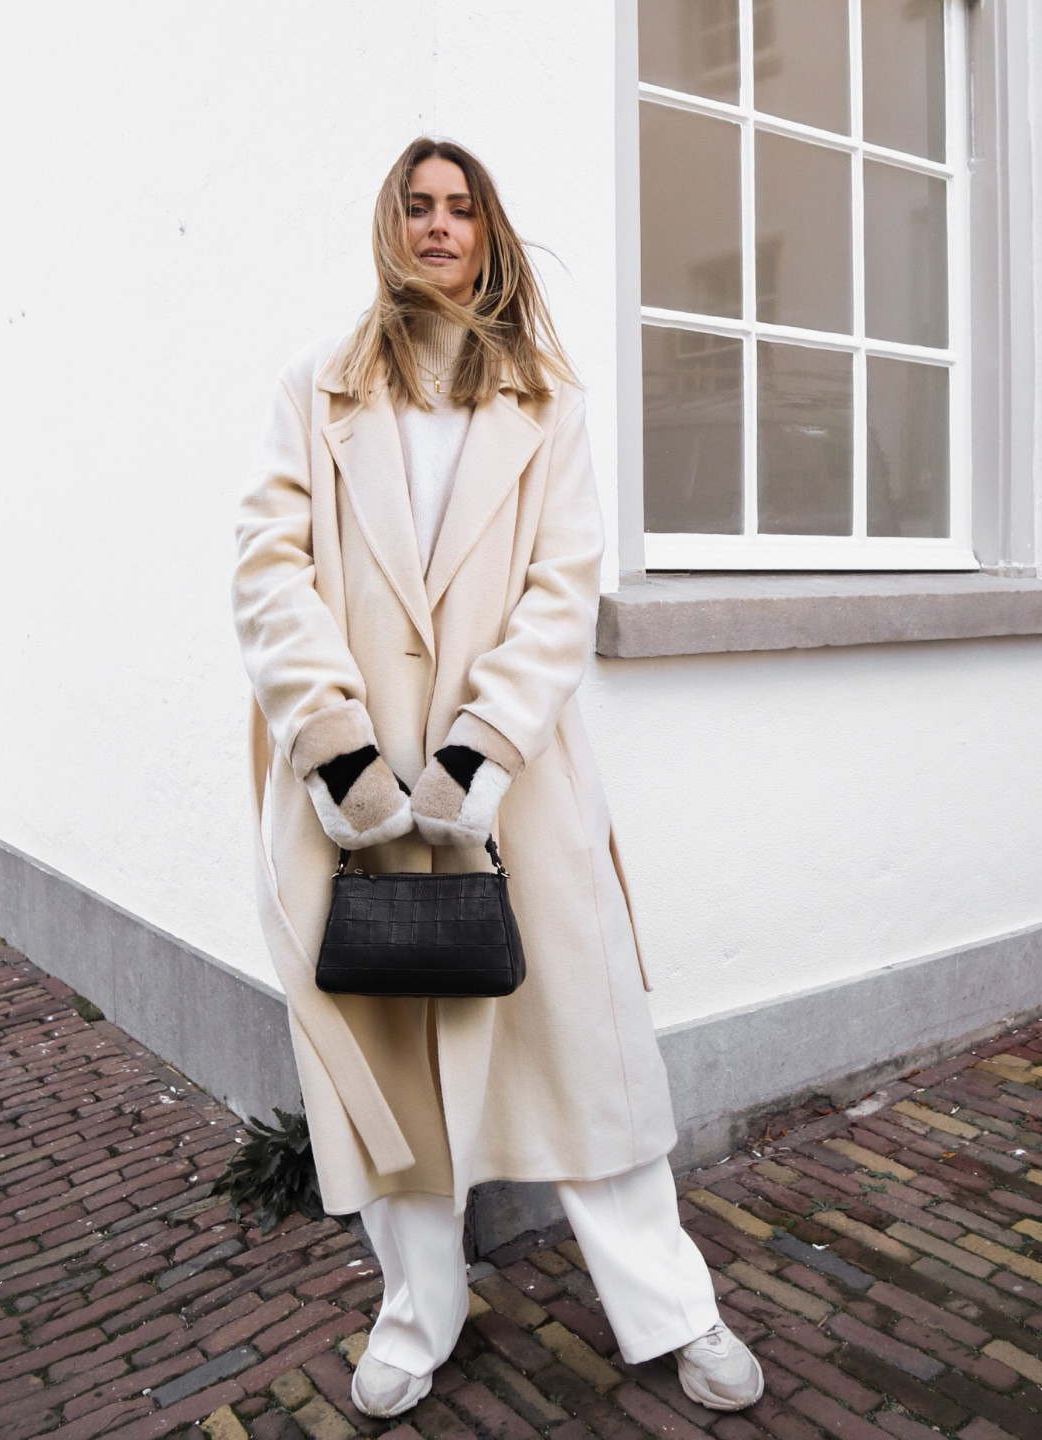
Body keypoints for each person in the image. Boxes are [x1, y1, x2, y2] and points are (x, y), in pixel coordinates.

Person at [232, 137, 764, 1420]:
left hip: (510, 791)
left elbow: (559, 587)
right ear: (388, 224)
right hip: (360, 801)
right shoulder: (316, 386)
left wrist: (482, 747)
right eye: (416, 204)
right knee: (398, 1071)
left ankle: (674, 1310)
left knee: (586, 1055)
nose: (437, 224)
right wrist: (338, 747)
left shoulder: (547, 401)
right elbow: (268, 566)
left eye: (460, 206)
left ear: (488, 232)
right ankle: (420, 1313)